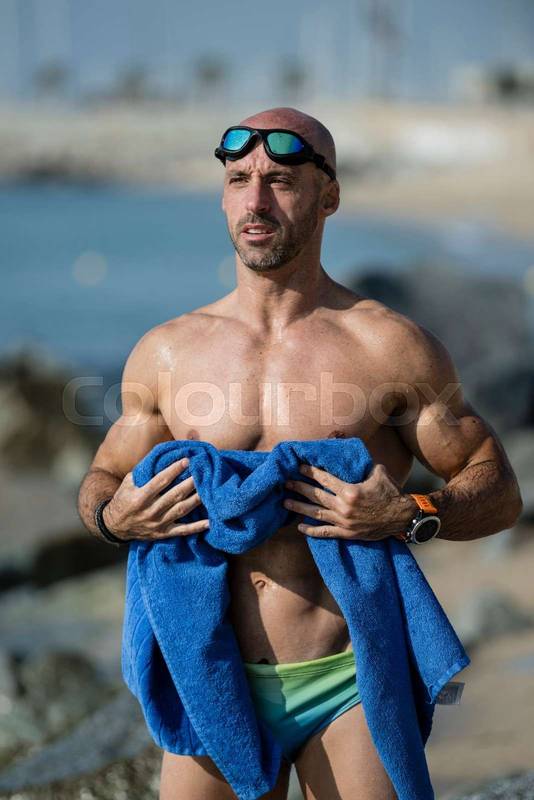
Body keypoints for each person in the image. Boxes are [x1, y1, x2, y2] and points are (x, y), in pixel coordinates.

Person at [77, 106, 523, 800]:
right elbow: (103, 479)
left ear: (329, 196)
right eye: (238, 179)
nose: (255, 201)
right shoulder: (168, 352)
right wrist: (114, 519)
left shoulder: (388, 347)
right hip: (211, 676)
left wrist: (409, 513)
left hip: (345, 680)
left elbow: (497, 489)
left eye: (280, 180)